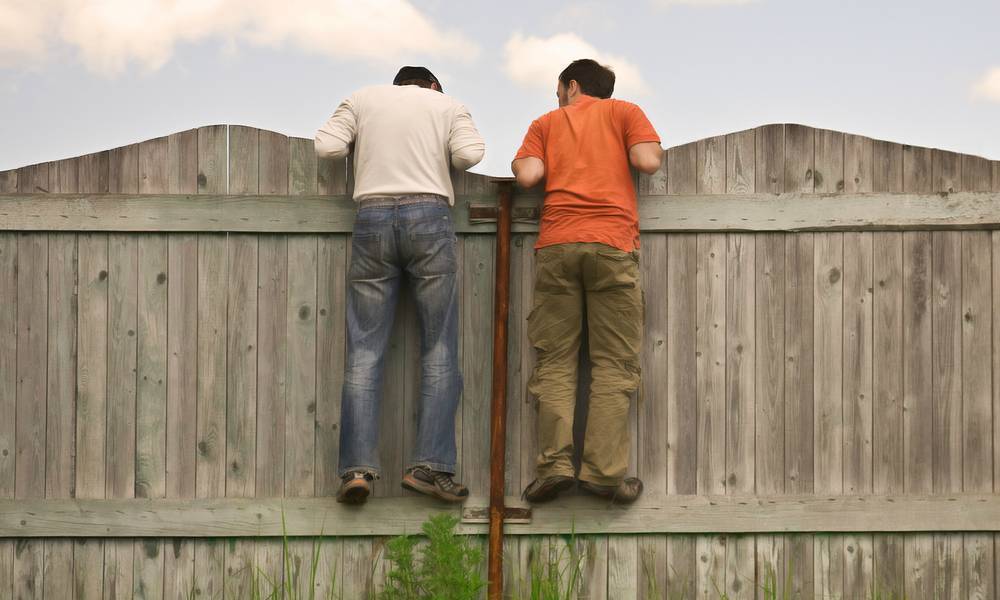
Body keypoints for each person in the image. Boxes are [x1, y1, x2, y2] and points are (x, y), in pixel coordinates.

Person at [315, 66, 485, 504]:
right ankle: (429, 467)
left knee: (364, 352)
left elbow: (329, 147)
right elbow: (469, 156)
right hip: (429, 216)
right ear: (432, 86)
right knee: (440, 348)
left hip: (371, 217)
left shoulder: (360, 97)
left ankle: (356, 471)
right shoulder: (447, 104)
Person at [511, 59, 663, 504]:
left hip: (558, 245)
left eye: (558, 89)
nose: (556, 97)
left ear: (571, 85)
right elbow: (647, 161)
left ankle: (554, 466)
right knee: (613, 363)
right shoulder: (625, 113)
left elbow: (529, 176)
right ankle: (603, 473)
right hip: (612, 246)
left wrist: (526, 154)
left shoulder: (546, 123)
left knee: (555, 361)